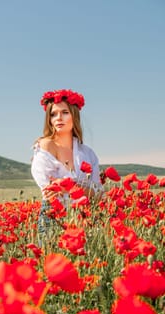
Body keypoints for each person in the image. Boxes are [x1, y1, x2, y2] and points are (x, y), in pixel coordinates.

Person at [31, 88, 103, 234]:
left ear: (74, 116)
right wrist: (83, 190)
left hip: (85, 218)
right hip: (54, 218)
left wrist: (68, 187)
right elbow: (50, 190)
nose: (58, 118)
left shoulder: (87, 153)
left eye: (64, 113)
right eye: (53, 114)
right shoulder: (45, 146)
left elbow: (99, 193)